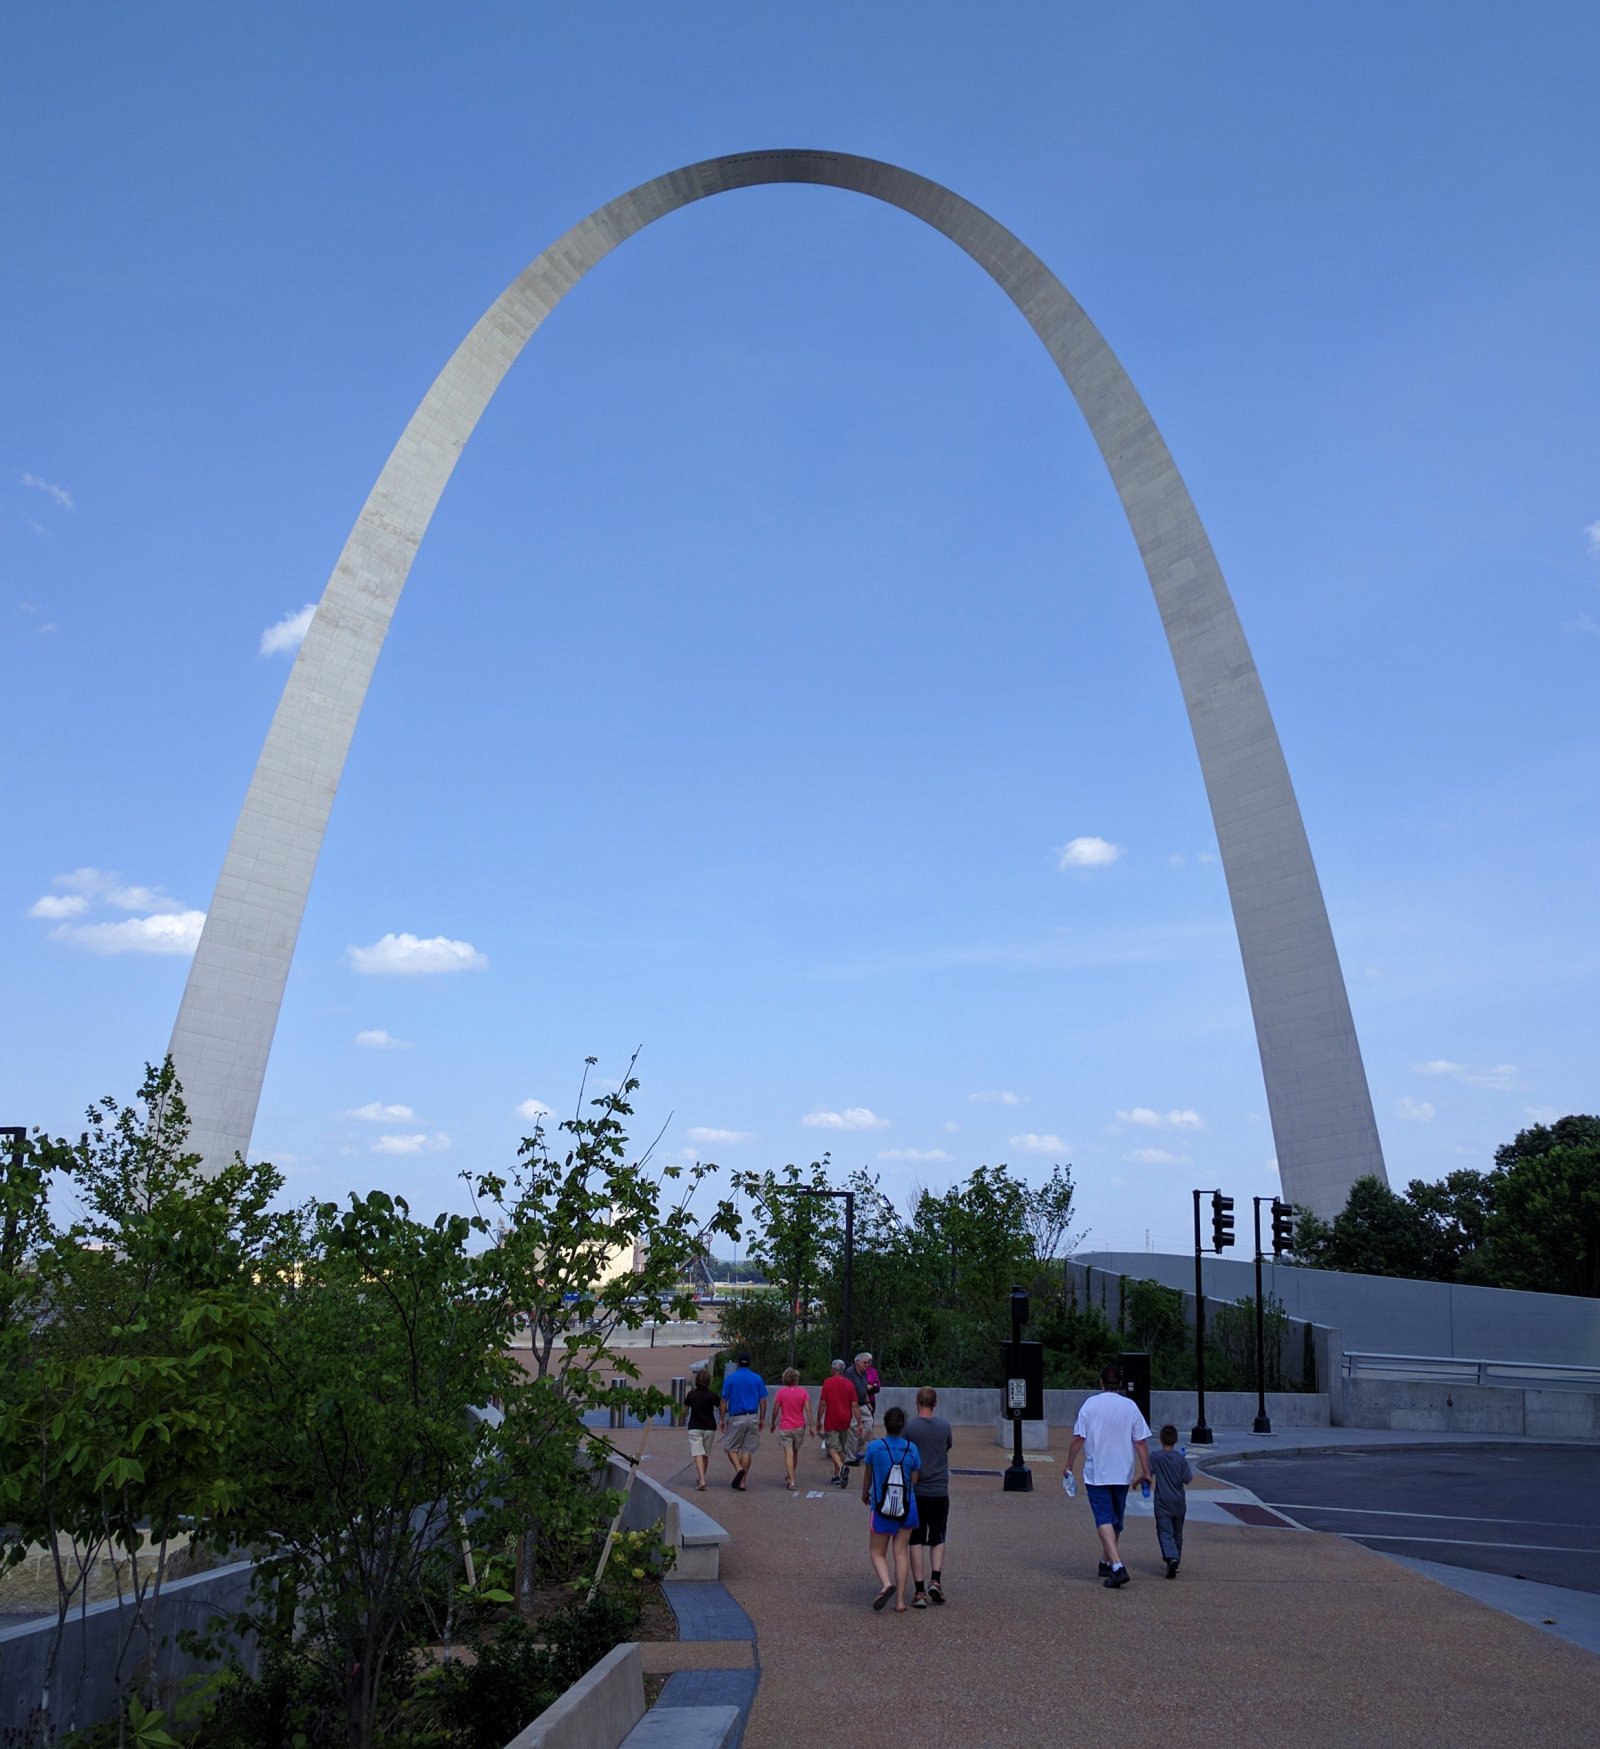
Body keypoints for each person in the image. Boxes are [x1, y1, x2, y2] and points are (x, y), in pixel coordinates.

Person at [1065, 1361, 1151, 1588]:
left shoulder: (1090, 1405)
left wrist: (1068, 1464)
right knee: (1116, 1520)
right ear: (1120, 1384)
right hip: (1122, 1471)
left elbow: (1078, 1438)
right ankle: (1106, 1561)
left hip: (1097, 1471)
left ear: (1101, 1382)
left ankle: (1117, 1565)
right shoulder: (1130, 1406)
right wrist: (1146, 1471)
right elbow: (1140, 1441)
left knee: (1103, 1518)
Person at [860, 1404, 920, 1612]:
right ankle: (901, 1602)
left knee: (877, 1551)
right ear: (903, 1426)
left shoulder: (875, 1448)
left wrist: (864, 1493)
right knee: (901, 1551)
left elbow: (868, 1475)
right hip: (907, 1505)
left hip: (882, 1506)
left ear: (884, 1424)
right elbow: (914, 1479)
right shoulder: (912, 1448)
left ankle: (886, 1583)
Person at [905, 1385, 953, 1607]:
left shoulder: (910, 1428)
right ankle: (936, 1579)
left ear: (917, 1403)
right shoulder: (944, 1426)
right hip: (939, 1490)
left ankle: (919, 1590)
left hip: (916, 1492)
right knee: (938, 1536)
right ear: (935, 1404)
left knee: (915, 1539)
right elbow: (947, 1447)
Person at [719, 1350, 768, 1490]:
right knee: (747, 1450)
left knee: (730, 1447)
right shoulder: (757, 1378)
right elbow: (763, 1400)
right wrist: (762, 1418)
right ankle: (742, 1481)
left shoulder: (731, 1379)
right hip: (752, 1416)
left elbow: (724, 1400)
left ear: (738, 1363)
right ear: (750, 1363)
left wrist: (721, 1418)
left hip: (737, 1417)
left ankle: (739, 1468)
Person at [1149, 1423, 1193, 1578]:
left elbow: (1149, 1474)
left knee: (1165, 1531)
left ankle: (1170, 1556)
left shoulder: (1155, 1457)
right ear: (1175, 1440)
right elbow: (1187, 1479)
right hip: (1179, 1501)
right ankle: (1176, 1560)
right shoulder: (1180, 1459)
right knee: (1177, 1533)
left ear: (1161, 1439)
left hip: (1163, 1501)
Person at [817, 1358, 861, 1487]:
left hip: (832, 1419)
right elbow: (855, 1405)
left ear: (833, 1369)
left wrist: (818, 1419)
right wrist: (859, 1422)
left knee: (831, 1446)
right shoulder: (849, 1384)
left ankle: (841, 1468)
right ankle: (836, 1475)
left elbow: (823, 1403)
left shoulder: (828, 1383)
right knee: (841, 1448)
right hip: (845, 1419)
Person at [772, 1366, 814, 1491]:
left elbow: (775, 1409)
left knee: (788, 1452)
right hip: (799, 1426)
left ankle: (791, 1480)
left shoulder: (781, 1392)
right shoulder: (803, 1392)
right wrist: (812, 1425)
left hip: (786, 1426)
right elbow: (808, 1409)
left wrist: (773, 1422)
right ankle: (791, 1476)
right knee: (795, 1452)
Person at [682, 1366, 720, 1492]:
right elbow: (721, 1405)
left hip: (695, 1426)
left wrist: (684, 1414)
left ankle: (702, 1479)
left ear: (696, 1381)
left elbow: (684, 1410)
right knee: (705, 1455)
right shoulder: (712, 1396)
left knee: (697, 1453)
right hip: (709, 1427)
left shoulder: (691, 1395)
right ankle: (701, 1478)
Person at [844, 1351, 876, 1472]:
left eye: (869, 1362)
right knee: (853, 1428)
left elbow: (863, 1389)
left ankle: (854, 1449)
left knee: (868, 1424)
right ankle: (850, 1457)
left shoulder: (864, 1373)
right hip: (852, 1404)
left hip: (862, 1403)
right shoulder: (849, 1373)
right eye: (866, 1362)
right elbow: (846, 1390)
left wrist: (868, 1403)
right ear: (857, 1362)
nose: (868, 1365)